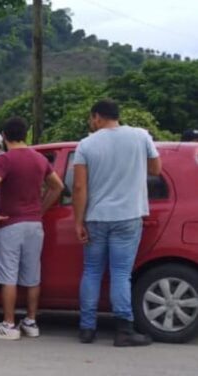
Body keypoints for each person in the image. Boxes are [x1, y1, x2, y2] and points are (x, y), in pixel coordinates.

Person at [73, 99, 161, 347]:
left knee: (91, 271)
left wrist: (78, 222)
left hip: (96, 218)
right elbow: (156, 169)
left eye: (92, 119)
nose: (92, 124)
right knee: (120, 274)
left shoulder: (86, 145)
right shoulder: (140, 136)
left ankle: (87, 329)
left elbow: (79, 187)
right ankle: (123, 330)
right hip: (128, 216)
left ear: (98, 117)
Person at [0, 117, 64, 340]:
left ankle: (9, 325)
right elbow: (57, 186)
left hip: (10, 224)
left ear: (4, 136)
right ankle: (31, 321)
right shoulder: (39, 159)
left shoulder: (4, 160)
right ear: (25, 135)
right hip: (34, 225)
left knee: (8, 275)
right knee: (32, 275)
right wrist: (41, 210)